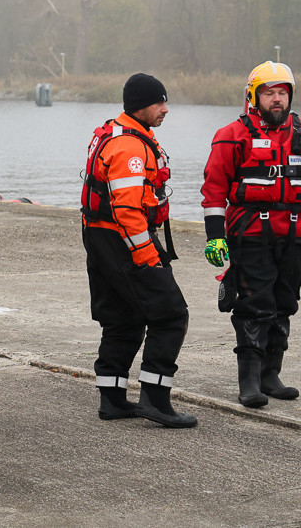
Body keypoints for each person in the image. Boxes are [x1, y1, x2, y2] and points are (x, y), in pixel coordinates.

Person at [81, 73, 196, 428]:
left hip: (101, 238)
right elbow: (128, 211)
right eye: (159, 103)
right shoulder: (130, 147)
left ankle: (113, 399)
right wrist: (148, 258)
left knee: (122, 317)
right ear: (140, 106)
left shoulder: (115, 132)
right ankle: (156, 399)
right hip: (123, 241)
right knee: (171, 313)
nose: (165, 109)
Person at [202, 61, 301, 408]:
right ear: (253, 97)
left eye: (282, 93)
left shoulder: (300, 133)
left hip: (294, 236)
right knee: (254, 306)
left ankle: (270, 375)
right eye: (270, 93)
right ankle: (249, 381)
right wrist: (215, 236)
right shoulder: (232, 135)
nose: (277, 100)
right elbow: (214, 190)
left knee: (285, 304)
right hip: (251, 234)